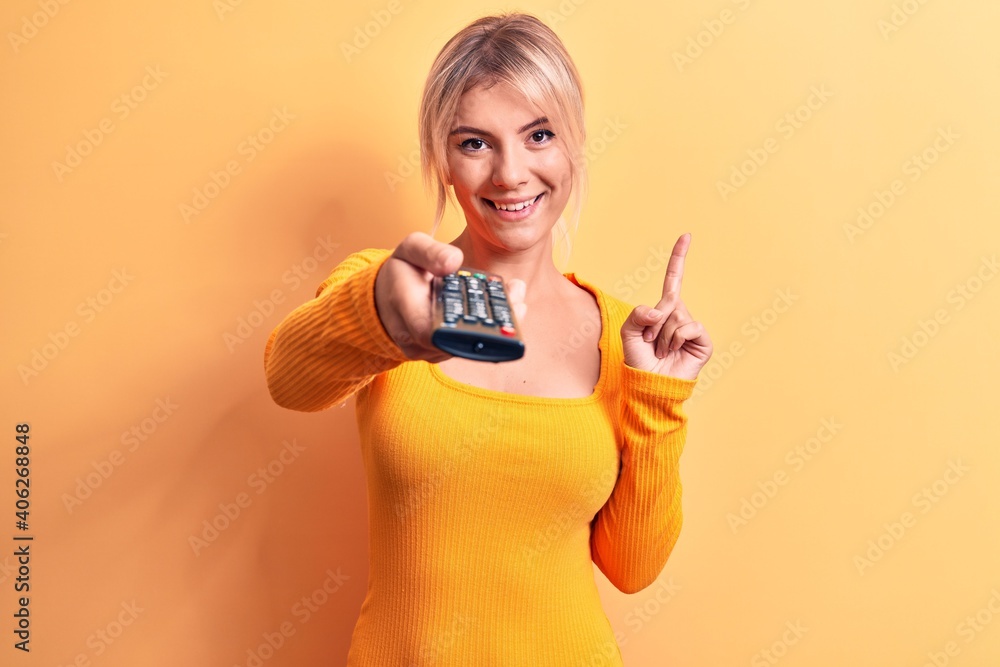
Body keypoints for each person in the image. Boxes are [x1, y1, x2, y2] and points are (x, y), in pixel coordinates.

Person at [263, 11, 713, 666]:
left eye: (538, 135)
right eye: (475, 143)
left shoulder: (624, 336)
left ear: (573, 145)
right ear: (441, 159)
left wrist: (659, 398)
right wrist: (382, 321)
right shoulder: (390, 288)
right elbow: (288, 379)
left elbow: (633, 566)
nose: (510, 173)